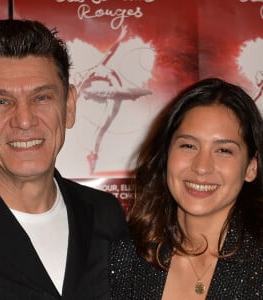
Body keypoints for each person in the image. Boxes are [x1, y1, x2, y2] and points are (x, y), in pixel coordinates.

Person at [0, 19, 128, 299]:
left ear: (69, 106)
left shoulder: (105, 215)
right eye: (1, 101)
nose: (24, 121)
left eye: (41, 98)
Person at [109, 78, 263, 299]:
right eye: (188, 146)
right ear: (165, 155)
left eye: (223, 151)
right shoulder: (126, 258)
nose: (201, 167)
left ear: (251, 167)